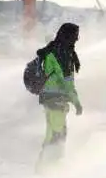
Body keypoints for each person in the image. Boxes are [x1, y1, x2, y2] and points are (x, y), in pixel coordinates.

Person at [35, 23, 83, 169]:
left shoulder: (58, 51)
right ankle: (44, 170)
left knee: (56, 134)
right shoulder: (61, 54)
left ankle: (50, 168)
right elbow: (67, 82)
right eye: (75, 36)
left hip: (52, 99)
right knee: (56, 136)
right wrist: (76, 102)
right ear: (68, 36)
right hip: (55, 99)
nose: (76, 39)